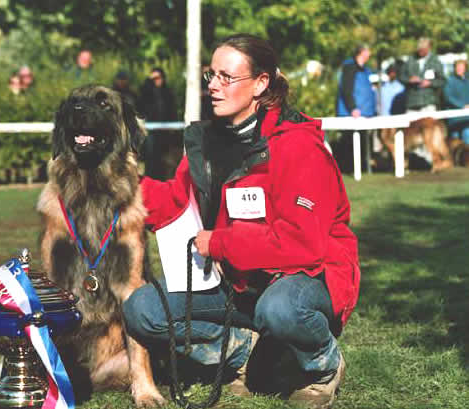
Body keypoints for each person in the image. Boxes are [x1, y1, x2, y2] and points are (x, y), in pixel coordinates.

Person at [123, 33, 360, 409]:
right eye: (211, 76)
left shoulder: (299, 146)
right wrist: (119, 186)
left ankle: (322, 367)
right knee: (142, 310)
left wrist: (219, 243)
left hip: (306, 276)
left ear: (261, 84)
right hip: (238, 282)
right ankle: (247, 354)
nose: (214, 86)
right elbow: (175, 200)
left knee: (279, 309)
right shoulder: (210, 143)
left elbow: (302, 244)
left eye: (226, 77)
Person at [335, 44, 377, 173]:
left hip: (365, 114)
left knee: (363, 142)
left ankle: (361, 167)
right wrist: (352, 107)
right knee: (349, 143)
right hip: (351, 113)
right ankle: (346, 169)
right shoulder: (350, 67)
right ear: (362, 52)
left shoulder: (366, 70)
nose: (369, 54)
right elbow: (346, 89)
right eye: (368, 51)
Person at [136, 67, 178, 180]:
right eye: (152, 79)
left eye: (158, 78)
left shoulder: (168, 93)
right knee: (151, 158)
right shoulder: (146, 94)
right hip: (151, 131)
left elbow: (172, 110)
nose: (156, 81)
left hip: (165, 131)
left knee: (165, 160)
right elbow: (140, 108)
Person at [398, 37, 444, 112]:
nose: (421, 52)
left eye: (423, 50)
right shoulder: (410, 60)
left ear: (429, 48)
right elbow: (401, 77)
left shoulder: (435, 61)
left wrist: (430, 83)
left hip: (429, 103)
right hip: (412, 103)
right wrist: (409, 80)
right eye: (419, 50)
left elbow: (442, 80)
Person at [443, 59, 469, 144]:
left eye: (461, 67)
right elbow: (448, 97)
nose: (459, 69)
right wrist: (462, 106)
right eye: (457, 67)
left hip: (466, 119)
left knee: (467, 139)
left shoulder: (467, 80)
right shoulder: (449, 81)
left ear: (465, 68)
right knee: (455, 143)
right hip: (454, 119)